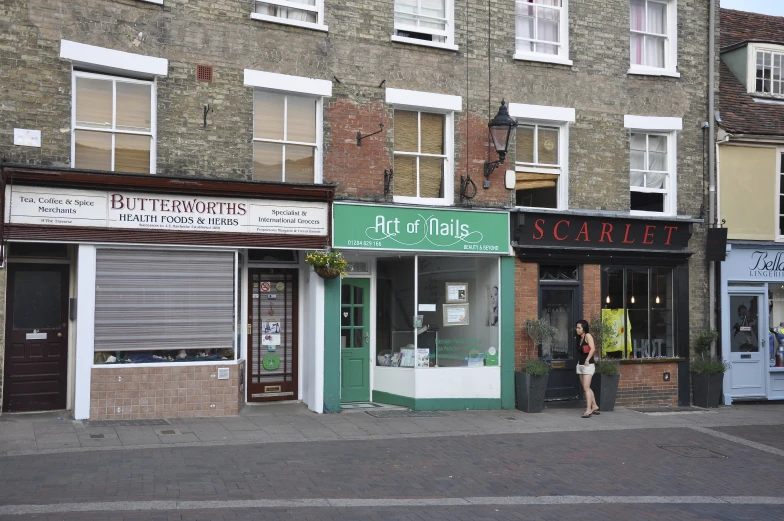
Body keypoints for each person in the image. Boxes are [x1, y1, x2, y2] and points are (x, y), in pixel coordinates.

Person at [575, 319, 599, 418]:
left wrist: (587, 360)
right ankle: (594, 406)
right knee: (587, 387)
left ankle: (588, 410)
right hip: (580, 365)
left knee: (586, 388)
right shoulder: (579, 338)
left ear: (584, 328)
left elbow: (593, 348)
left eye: (579, 328)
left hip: (587, 365)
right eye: (576, 327)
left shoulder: (588, 336)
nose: (577, 329)